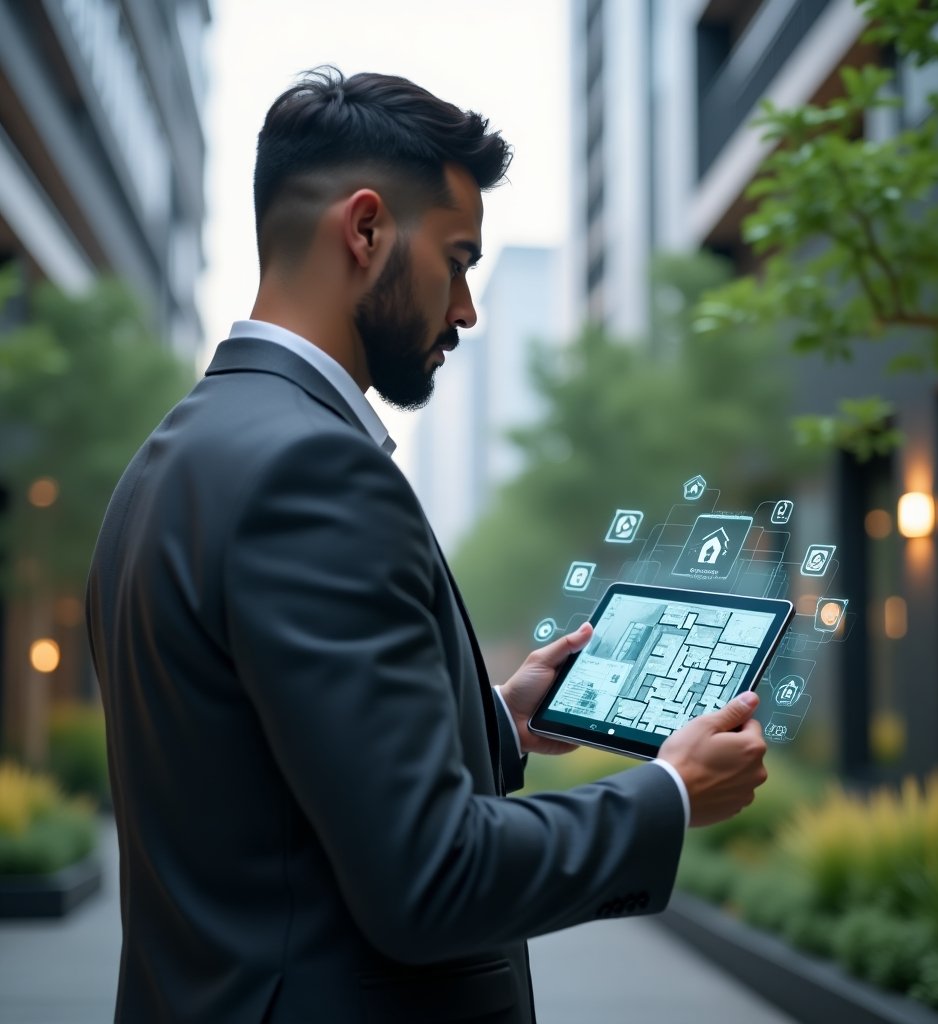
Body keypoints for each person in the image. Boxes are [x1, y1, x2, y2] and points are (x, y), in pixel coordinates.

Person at [86, 67, 768, 1024]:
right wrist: (669, 794)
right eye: (457, 259)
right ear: (365, 231)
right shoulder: (315, 472)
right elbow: (431, 880)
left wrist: (497, 716)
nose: (467, 309)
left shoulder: (167, 461)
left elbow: (263, 779)